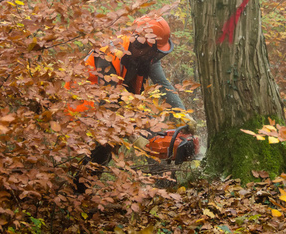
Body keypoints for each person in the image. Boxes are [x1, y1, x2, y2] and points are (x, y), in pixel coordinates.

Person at [66, 16, 196, 191]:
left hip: (117, 103)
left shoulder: (145, 57)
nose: (155, 57)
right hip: (83, 106)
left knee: (155, 135)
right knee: (109, 140)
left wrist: (182, 114)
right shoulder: (109, 54)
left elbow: (164, 85)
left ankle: (166, 192)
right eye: (154, 52)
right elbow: (110, 105)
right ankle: (77, 191)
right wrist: (135, 138)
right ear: (141, 44)